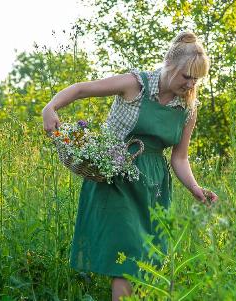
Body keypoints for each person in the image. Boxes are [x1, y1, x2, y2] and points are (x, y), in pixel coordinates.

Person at [42, 31, 218, 300]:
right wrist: (50, 108)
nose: (191, 83)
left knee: (147, 260)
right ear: (170, 66)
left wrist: (195, 188)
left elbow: (179, 157)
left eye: (196, 78)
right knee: (126, 257)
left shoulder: (188, 108)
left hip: (154, 187)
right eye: (187, 76)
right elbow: (81, 89)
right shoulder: (135, 84)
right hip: (117, 176)